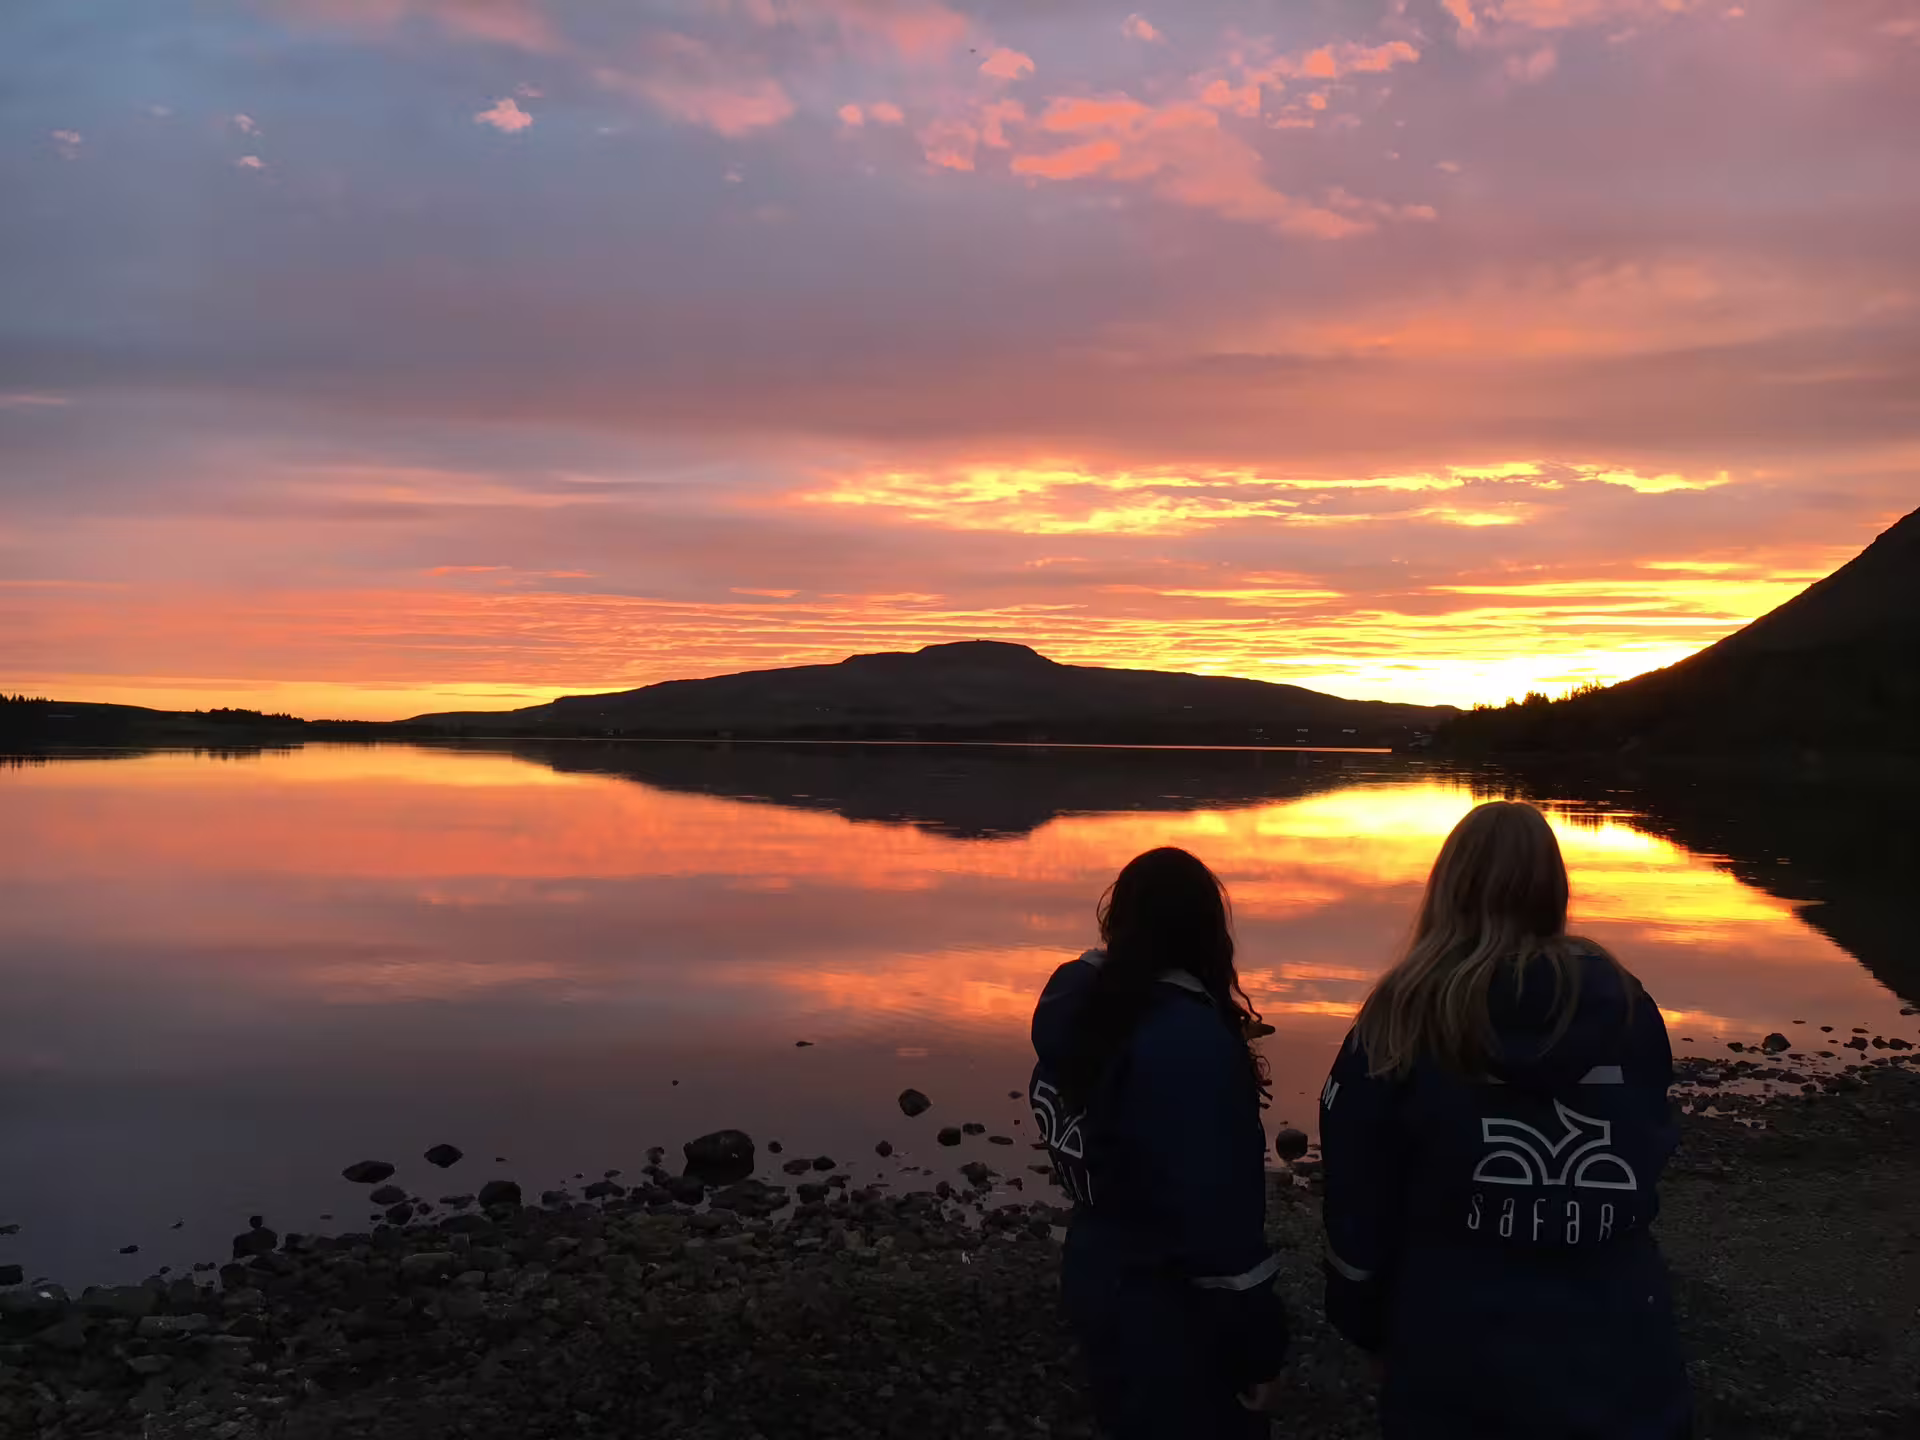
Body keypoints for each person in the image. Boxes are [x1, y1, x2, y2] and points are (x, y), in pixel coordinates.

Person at [1318, 800, 1692, 1439]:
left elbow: (1356, 1197)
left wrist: (1363, 1321)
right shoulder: (1629, 1006)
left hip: (1452, 1339)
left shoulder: (1400, 1016)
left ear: (1449, 887)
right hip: (1618, 1334)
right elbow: (1650, 1142)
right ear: (1552, 888)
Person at [1028, 846, 1288, 1439]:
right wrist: (1258, 1349)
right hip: (1176, 1315)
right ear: (1205, 933)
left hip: (1098, 1278)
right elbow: (1218, 1225)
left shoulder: (1081, 1018)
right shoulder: (1185, 1045)